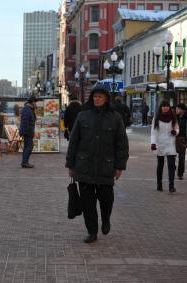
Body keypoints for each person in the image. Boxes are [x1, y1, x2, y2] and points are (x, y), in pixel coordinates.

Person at [66, 84, 129, 244]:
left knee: (107, 199)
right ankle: (92, 231)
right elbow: (73, 141)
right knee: (88, 204)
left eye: (100, 96)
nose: (97, 99)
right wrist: (70, 165)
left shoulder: (115, 118)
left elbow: (121, 144)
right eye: (95, 96)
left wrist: (120, 166)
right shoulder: (83, 116)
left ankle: (106, 218)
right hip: (84, 166)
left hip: (106, 166)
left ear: (106, 98)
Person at [151, 100, 179, 192]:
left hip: (170, 143)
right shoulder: (156, 118)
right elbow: (153, 132)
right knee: (160, 165)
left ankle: (171, 185)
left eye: (167, 106)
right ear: (161, 107)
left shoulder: (173, 117)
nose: (165, 107)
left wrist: (175, 132)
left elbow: (177, 128)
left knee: (171, 165)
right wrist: (153, 143)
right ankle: (159, 184)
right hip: (160, 143)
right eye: (163, 106)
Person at [19, 95, 38, 168]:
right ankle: (25, 162)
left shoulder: (30, 109)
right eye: (35, 102)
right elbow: (24, 121)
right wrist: (23, 132)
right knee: (29, 146)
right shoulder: (27, 110)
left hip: (28, 131)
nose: (36, 104)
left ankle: (24, 162)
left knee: (27, 146)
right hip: (27, 132)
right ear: (32, 102)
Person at [175, 103, 187, 180]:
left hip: (182, 139)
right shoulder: (174, 118)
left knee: (181, 157)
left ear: (182, 110)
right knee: (171, 155)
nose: (176, 110)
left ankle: (180, 173)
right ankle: (173, 167)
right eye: (176, 109)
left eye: (178, 109)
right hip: (173, 139)